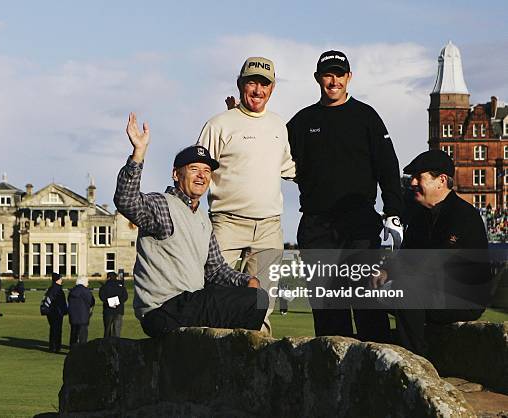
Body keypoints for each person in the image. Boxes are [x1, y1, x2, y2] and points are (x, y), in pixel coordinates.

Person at [114, 112, 269, 338]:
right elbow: (126, 201)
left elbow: (216, 270)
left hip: (188, 306)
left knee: (253, 296)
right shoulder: (162, 205)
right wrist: (138, 154)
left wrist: (248, 281)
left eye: (206, 171)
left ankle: (228, 360)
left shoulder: (202, 219)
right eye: (194, 169)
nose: (201, 176)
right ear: (176, 174)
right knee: (253, 301)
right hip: (163, 310)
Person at [287, 50, 404, 342]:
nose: (334, 81)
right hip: (317, 226)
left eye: (340, 74)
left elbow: (388, 168)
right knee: (328, 309)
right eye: (328, 74)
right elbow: (269, 151)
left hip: (360, 223)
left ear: (349, 77)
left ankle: (376, 378)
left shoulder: (366, 116)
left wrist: (393, 211)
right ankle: (330, 378)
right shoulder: (303, 121)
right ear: (318, 78)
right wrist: (241, 116)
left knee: (367, 303)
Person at [198, 57, 295, 334]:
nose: (257, 90)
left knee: (263, 303)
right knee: (215, 295)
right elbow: (199, 170)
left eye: (264, 84)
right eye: (251, 82)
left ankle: (257, 365)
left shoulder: (278, 125)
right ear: (240, 85)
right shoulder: (219, 124)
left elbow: (288, 167)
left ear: (272, 88)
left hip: (269, 226)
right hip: (227, 223)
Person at [372, 150, 491, 355]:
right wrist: (385, 272)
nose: (413, 183)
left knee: (406, 289)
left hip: (461, 298)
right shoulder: (420, 217)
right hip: (432, 292)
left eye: (420, 177)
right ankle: (376, 352)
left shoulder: (463, 215)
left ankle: (415, 363)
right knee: (367, 287)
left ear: (441, 180)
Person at [99, 272, 128, 338]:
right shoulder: (121, 286)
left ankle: (106, 346)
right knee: (117, 331)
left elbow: (102, 297)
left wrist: (110, 303)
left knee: (107, 330)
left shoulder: (104, 286)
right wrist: (117, 303)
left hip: (108, 310)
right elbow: (125, 297)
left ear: (108, 277)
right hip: (119, 310)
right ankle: (116, 346)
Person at [68, 277, 95, 346]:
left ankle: (72, 348)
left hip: (73, 315)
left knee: (73, 333)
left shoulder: (72, 291)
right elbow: (91, 302)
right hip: (83, 316)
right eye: (87, 282)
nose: (88, 284)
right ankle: (82, 349)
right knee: (83, 334)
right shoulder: (86, 291)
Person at [45, 272, 68, 353]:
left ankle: (53, 346)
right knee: (57, 330)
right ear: (57, 280)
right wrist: (64, 310)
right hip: (57, 312)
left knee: (53, 329)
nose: (61, 280)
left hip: (51, 312)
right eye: (60, 278)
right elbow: (61, 302)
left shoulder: (51, 288)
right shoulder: (57, 289)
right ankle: (56, 347)